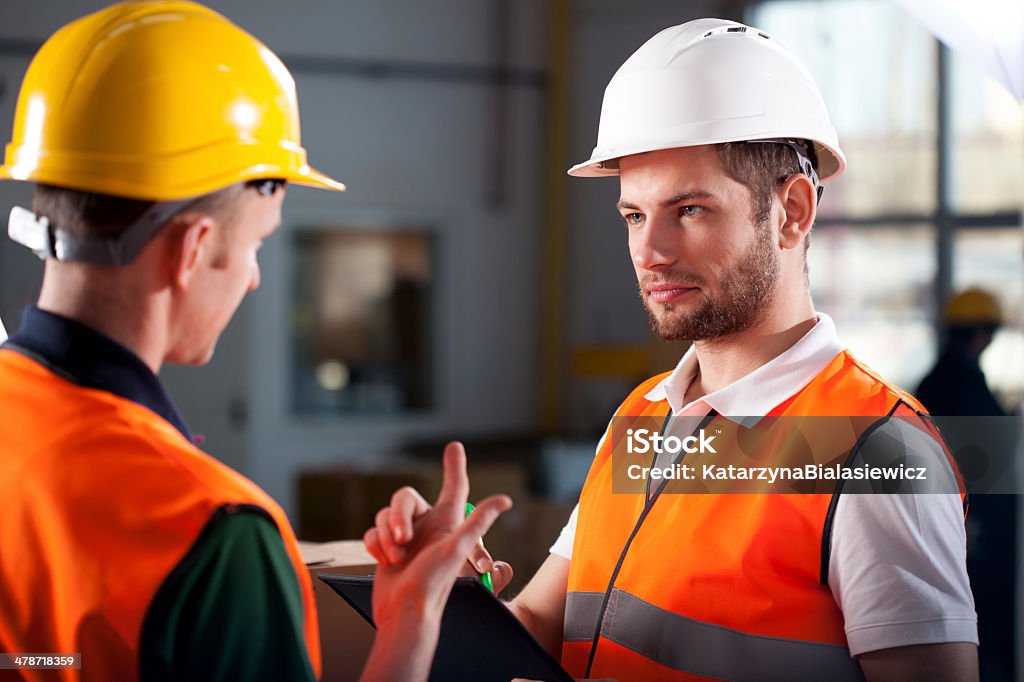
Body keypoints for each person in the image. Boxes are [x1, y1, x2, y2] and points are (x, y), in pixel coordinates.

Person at [369, 18, 980, 681]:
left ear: (794, 212)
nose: (650, 253)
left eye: (689, 210)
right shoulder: (639, 418)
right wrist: (447, 598)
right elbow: (542, 631)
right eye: (635, 215)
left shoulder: (877, 453)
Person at [0, 3, 509, 681]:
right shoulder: (211, 533)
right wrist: (411, 623)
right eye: (256, 245)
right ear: (194, 248)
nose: (253, 279)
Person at [917, 288, 1016, 681]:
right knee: (986, 612)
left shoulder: (942, 378)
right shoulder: (961, 381)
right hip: (978, 522)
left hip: (967, 517)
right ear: (982, 334)